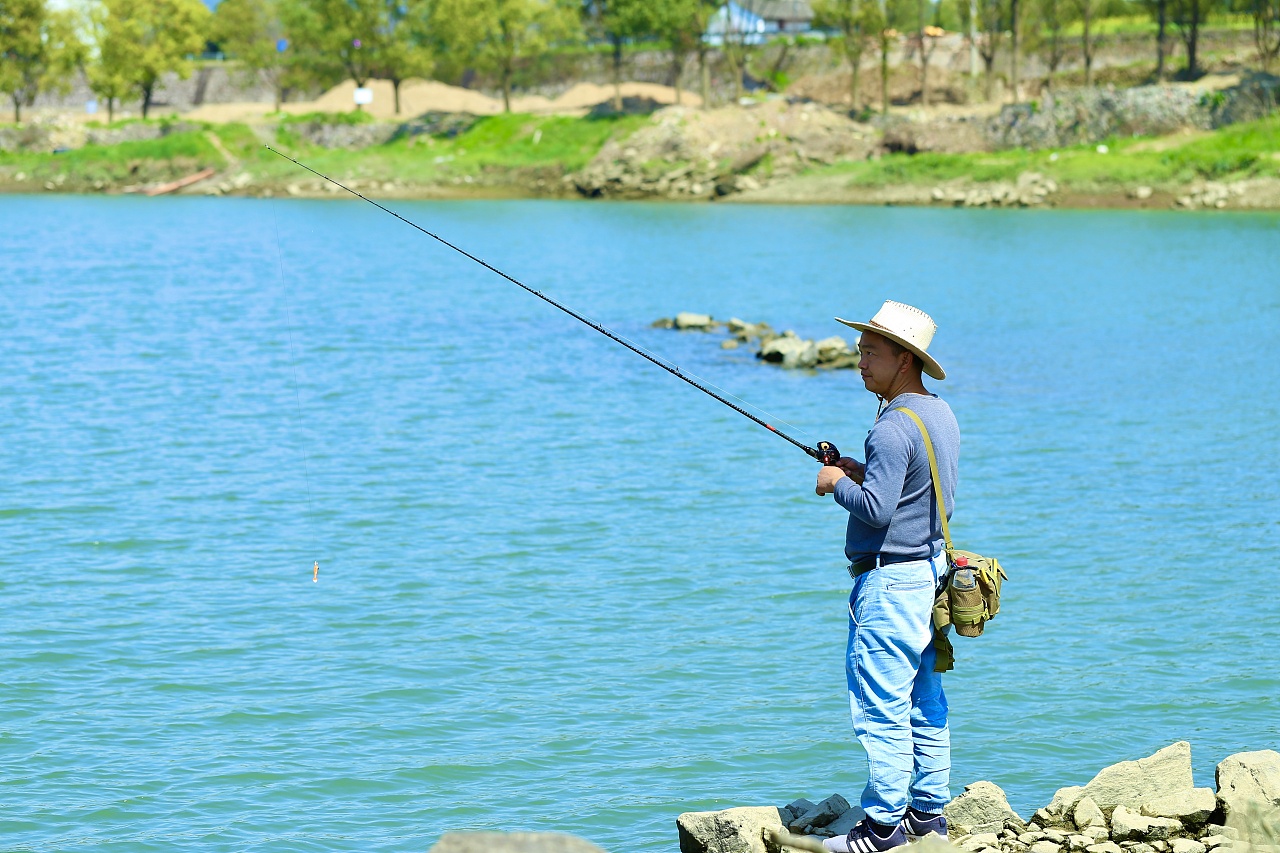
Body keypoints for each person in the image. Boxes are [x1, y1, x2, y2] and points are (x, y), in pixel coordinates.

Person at [814, 301, 959, 853]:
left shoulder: (892, 427)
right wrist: (858, 468)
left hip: (891, 583)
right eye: (859, 351)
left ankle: (880, 829)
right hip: (929, 574)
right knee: (925, 697)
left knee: (881, 706)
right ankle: (928, 815)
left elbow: (875, 509)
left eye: (870, 352)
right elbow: (908, 487)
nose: (860, 362)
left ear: (904, 359)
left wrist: (834, 483)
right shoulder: (937, 413)